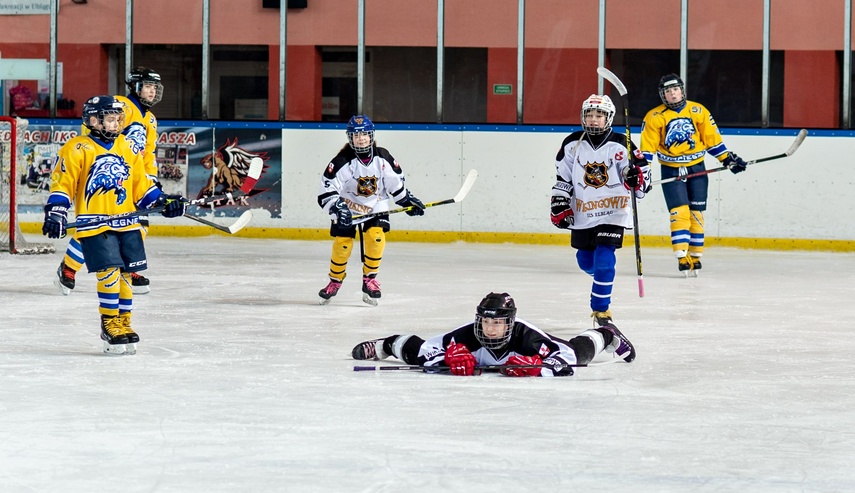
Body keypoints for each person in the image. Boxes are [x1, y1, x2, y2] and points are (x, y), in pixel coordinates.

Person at [42, 95, 187, 355]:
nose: (117, 123)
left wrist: (164, 202)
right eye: (111, 118)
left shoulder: (127, 147)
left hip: (127, 222)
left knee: (125, 277)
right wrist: (56, 212)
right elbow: (63, 185)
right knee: (108, 274)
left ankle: (124, 322)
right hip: (95, 224)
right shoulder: (77, 148)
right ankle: (109, 323)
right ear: (94, 120)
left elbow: (141, 187)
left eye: (119, 118)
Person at [55, 67, 164, 295]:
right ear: (136, 87)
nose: (152, 92)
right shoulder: (122, 104)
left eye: (155, 87)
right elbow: (94, 123)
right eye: (147, 86)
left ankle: (126, 267)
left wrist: (150, 180)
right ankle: (69, 267)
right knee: (97, 227)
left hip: (132, 177)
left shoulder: (151, 120)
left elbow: (148, 152)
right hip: (109, 174)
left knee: (137, 226)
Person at [351, 292, 635, 376]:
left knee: (578, 354)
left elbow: (564, 361)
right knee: (413, 349)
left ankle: (606, 334)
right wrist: (445, 361)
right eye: (486, 322)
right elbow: (428, 350)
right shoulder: (468, 334)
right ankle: (384, 345)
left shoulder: (526, 336)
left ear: (509, 323)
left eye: (498, 323)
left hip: (552, 349)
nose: (490, 328)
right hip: (397, 346)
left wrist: (538, 368)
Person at [550, 94, 651, 327]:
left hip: (614, 210)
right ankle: (604, 280)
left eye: (599, 115)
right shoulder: (572, 143)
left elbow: (642, 176)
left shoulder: (622, 143)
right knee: (585, 261)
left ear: (609, 118)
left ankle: (601, 311)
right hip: (583, 210)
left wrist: (635, 178)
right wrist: (559, 202)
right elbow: (562, 178)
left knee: (605, 261)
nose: (594, 120)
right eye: (590, 115)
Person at [640, 73, 748, 276]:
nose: (672, 94)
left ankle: (696, 255)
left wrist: (727, 159)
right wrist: (642, 172)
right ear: (663, 95)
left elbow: (711, 140)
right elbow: (647, 150)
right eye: (668, 91)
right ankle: (681, 255)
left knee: (696, 213)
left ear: (682, 90)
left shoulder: (698, 111)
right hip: (670, 168)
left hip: (697, 168)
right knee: (679, 212)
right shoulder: (654, 116)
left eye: (675, 89)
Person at [316, 115, 425, 306]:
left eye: (365, 134)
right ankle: (335, 280)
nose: (361, 139)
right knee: (343, 244)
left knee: (375, 236)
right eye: (356, 136)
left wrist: (406, 201)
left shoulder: (382, 156)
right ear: (350, 138)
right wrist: (337, 205)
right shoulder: (342, 161)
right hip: (348, 205)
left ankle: (370, 279)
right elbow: (327, 189)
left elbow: (394, 183)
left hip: (376, 204)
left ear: (371, 135)